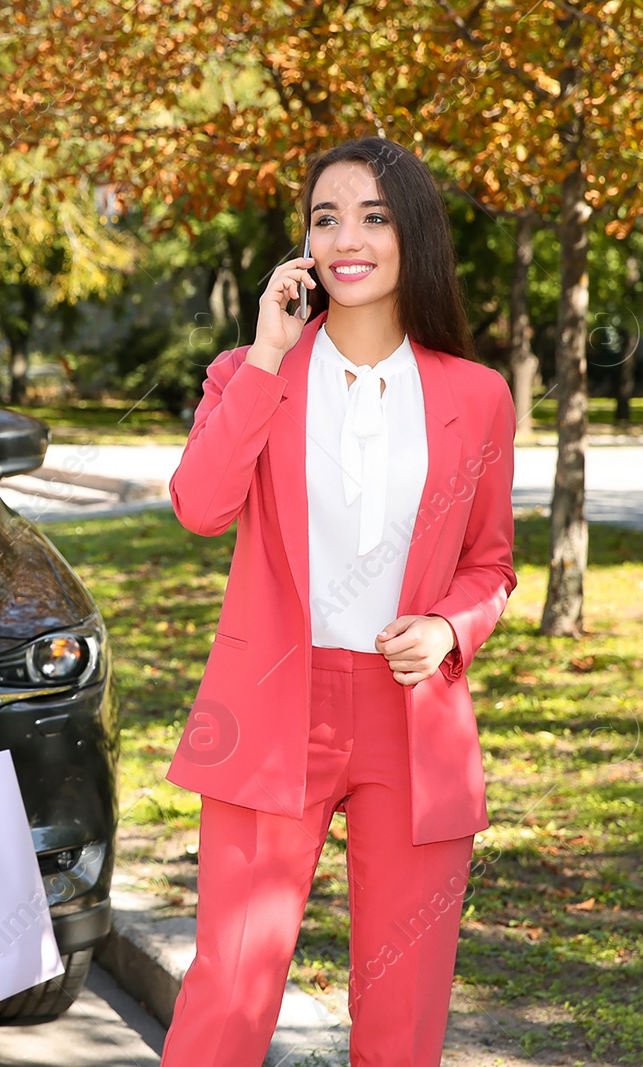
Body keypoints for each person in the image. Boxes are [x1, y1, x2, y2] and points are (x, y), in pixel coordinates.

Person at [160, 136, 517, 1066]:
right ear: (305, 244)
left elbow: (492, 566)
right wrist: (269, 355)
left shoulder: (477, 396)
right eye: (326, 217)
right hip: (274, 705)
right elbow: (200, 506)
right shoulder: (250, 373)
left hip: (413, 718)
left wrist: (449, 626)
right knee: (229, 997)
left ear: (415, 238)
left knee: (402, 1021)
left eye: (374, 216)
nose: (346, 237)